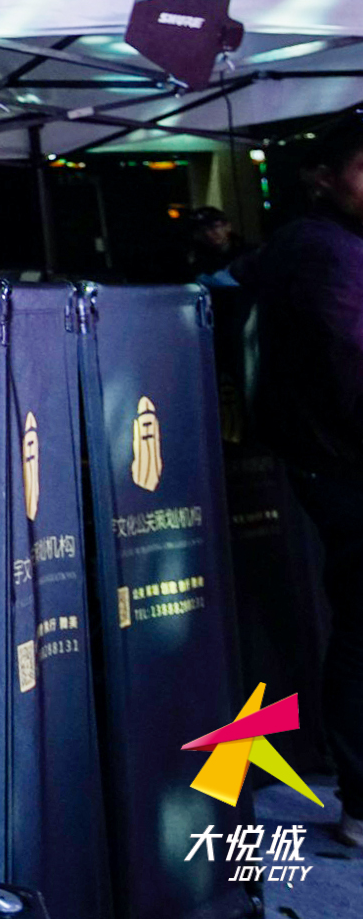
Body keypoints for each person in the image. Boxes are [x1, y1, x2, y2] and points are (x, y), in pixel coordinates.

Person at [234, 117, 363, 843]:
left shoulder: (321, 245)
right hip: (345, 467)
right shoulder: (322, 249)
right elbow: (351, 362)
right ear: (321, 176)